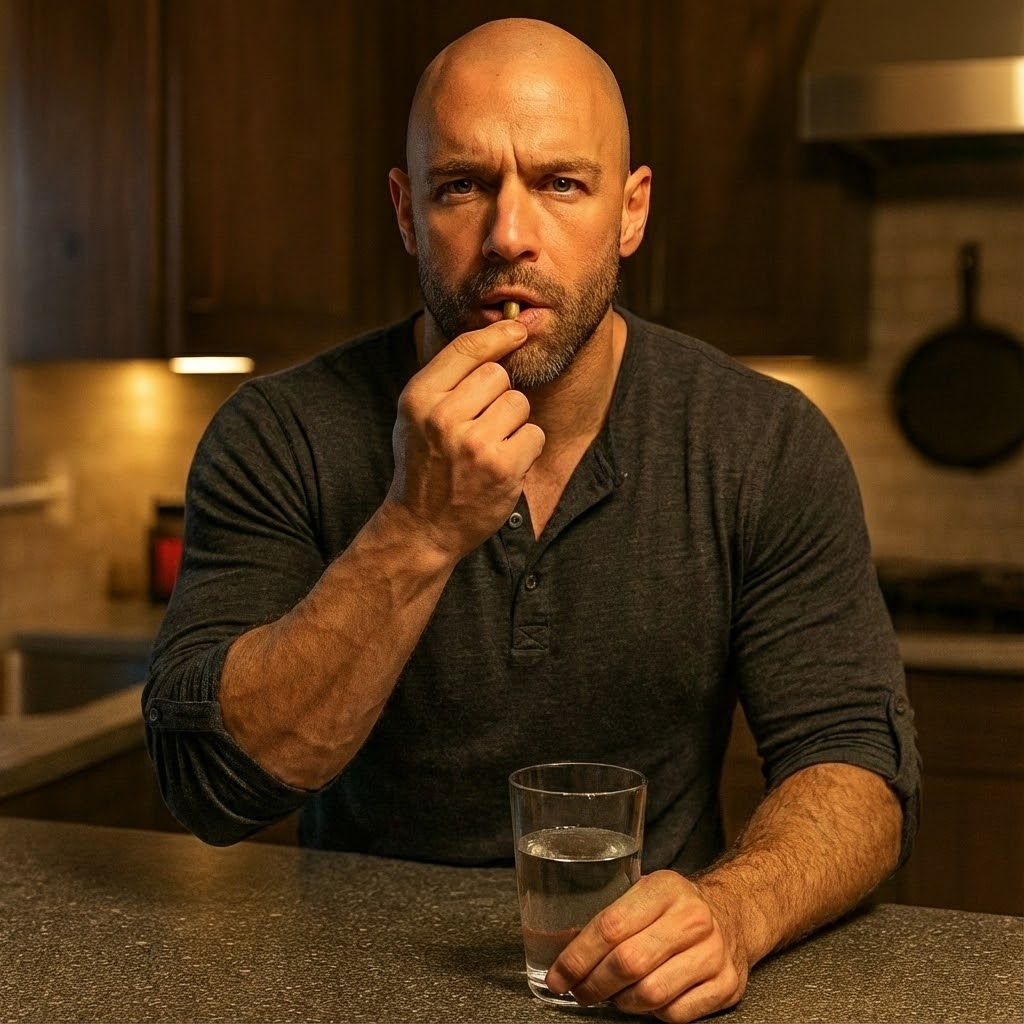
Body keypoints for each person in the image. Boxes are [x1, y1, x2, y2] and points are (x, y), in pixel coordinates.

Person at [144, 17, 920, 1022]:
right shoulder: (279, 434)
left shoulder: (761, 441)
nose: (509, 232)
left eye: (562, 183)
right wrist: (416, 530)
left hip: (643, 987)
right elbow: (210, 788)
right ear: (406, 212)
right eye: (461, 184)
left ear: (630, 211)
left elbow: (857, 763)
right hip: (343, 985)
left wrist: (733, 911)